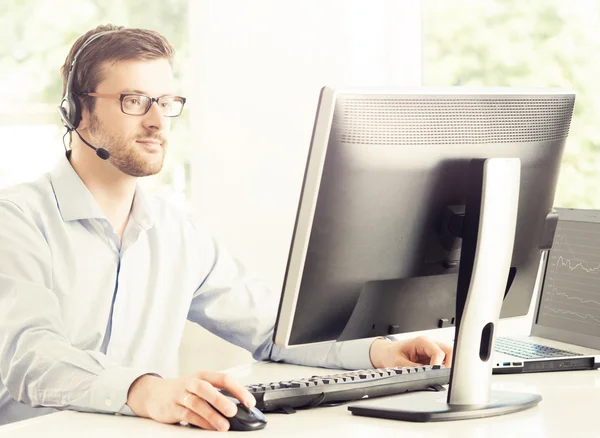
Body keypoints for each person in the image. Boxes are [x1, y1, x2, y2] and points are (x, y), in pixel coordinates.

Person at [0, 24, 452, 431]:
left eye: (166, 102)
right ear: (76, 110)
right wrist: (146, 390)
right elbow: (29, 356)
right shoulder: (17, 219)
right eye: (134, 101)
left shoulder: (178, 232)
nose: (157, 121)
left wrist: (378, 353)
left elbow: (272, 330)